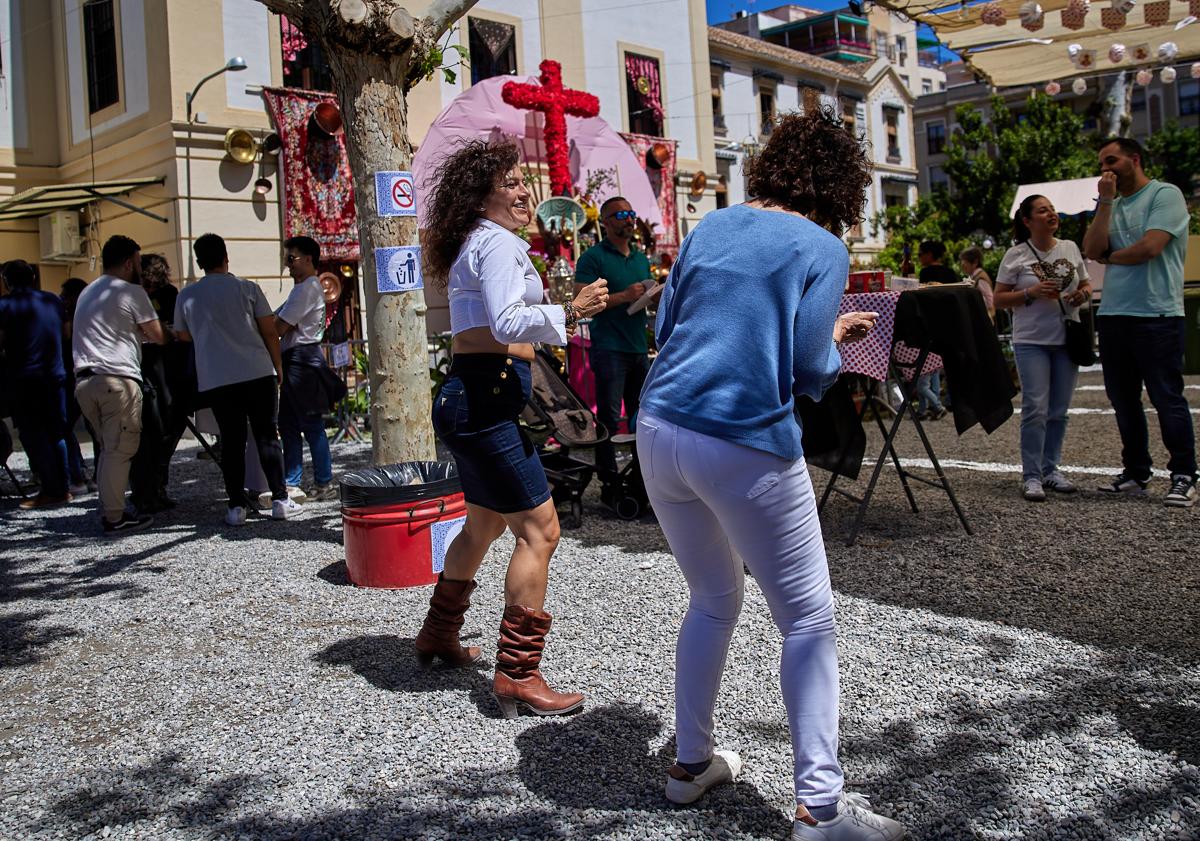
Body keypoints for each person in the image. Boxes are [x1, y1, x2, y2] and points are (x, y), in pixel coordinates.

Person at [636, 108, 904, 840]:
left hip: (659, 428)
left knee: (713, 599)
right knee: (808, 619)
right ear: (841, 185)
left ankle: (690, 765)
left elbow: (668, 332)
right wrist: (835, 337)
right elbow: (811, 368)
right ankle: (820, 809)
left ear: (774, 163)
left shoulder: (711, 225)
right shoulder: (822, 245)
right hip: (741, 437)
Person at [418, 139, 608, 718]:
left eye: (523, 181)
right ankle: (518, 675)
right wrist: (570, 311)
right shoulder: (496, 244)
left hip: (471, 398)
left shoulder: (478, 241)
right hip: (482, 402)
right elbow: (505, 323)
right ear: (482, 195)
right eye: (511, 183)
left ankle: (438, 635)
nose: (525, 191)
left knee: (481, 525)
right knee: (541, 530)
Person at [1082, 136, 1196, 507]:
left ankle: (1183, 474)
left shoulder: (1165, 195)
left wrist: (1110, 258)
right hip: (1114, 313)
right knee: (1123, 400)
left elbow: (1151, 247)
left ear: (1135, 159)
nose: (1106, 169)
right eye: (1101, 163)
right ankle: (1136, 471)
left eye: (1112, 160)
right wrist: (1106, 201)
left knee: (1166, 396)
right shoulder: (1110, 202)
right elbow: (1091, 249)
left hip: (1157, 313)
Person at [174, 233, 296, 525]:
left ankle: (236, 506)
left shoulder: (187, 296)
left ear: (199, 262)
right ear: (226, 257)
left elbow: (182, 334)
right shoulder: (247, 288)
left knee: (231, 440)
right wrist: (277, 365)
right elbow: (269, 330)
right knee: (267, 434)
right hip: (256, 371)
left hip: (217, 377)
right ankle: (280, 499)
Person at [994, 195, 1092, 502]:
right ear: (1027, 221)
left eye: (1052, 209)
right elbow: (998, 299)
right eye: (1042, 210)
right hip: (1031, 339)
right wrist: (1031, 292)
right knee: (1036, 407)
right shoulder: (1016, 254)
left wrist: (1081, 296)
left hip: (1066, 337)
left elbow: (1086, 285)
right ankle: (1032, 475)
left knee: (1059, 411)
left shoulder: (1070, 247)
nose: (1051, 214)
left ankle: (1051, 469)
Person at [72, 236, 165, 535]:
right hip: (117, 379)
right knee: (119, 450)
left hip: (85, 381)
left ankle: (109, 508)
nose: (140, 268)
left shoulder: (88, 292)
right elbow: (158, 335)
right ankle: (114, 517)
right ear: (128, 263)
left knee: (107, 448)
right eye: (138, 262)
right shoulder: (132, 291)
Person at [573, 196, 655, 493]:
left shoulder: (640, 258)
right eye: (620, 214)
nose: (628, 218)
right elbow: (581, 301)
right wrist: (624, 296)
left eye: (631, 213)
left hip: (637, 347)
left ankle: (642, 477)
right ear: (605, 222)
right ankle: (609, 479)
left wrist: (653, 295)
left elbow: (640, 295)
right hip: (609, 348)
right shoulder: (593, 257)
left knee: (642, 415)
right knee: (609, 416)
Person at [0, 260, 72, 509]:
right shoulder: (52, 300)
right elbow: (66, 333)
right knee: (57, 433)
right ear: (32, 278)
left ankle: (50, 489)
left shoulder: (5, 306)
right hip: (55, 375)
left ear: (6, 281)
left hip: (24, 378)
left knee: (33, 434)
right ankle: (64, 487)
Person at [276, 235, 335, 500]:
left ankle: (322, 482)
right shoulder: (305, 288)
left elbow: (279, 326)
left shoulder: (306, 289)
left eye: (291, 258)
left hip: (302, 357)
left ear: (308, 259)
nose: (287, 265)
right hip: (301, 357)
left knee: (309, 424)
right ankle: (294, 480)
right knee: (289, 423)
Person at [129, 254, 183, 514]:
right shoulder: (133, 295)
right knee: (148, 434)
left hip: (166, 369)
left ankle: (157, 486)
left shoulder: (171, 294)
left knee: (166, 430)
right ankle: (145, 491)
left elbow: (171, 331)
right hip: (145, 369)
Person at [59, 277, 94, 495]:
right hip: (85, 375)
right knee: (93, 429)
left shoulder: (72, 317)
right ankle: (87, 473)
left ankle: (78, 474)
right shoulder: (91, 313)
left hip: (76, 376)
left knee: (67, 427)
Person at [959, 246, 994, 321]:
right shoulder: (975, 277)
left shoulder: (980, 279)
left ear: (975, 262)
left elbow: (990, 302)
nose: (962, 264)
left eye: (965, 261)